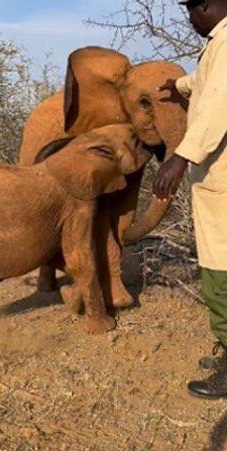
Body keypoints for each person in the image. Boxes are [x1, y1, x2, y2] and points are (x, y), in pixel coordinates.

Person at [154, 0, 227, 399]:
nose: (190, 18)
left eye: (192, 9)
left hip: (222, 179)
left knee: (221, 272)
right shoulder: (219, 44)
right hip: (217, 179)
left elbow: (218, 103)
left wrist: (180, 157)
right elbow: (208, 81)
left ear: (209, 5)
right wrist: (178, 86)